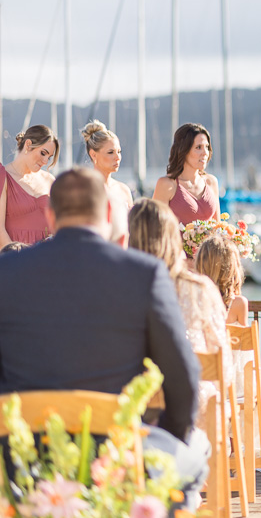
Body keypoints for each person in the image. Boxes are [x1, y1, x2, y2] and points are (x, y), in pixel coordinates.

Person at [0, 168, 207, 510]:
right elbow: (184, 380)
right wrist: (162, 434)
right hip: (117, 461)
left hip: (22, 466)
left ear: (50, 216)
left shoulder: (6, 273)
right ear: (110, 213)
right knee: (196, 447)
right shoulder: (144, 274)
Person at [128, 198, 232, 435]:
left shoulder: (120, 289)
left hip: (135, 408)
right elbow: (223, 362)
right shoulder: (200, 289)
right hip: (193, 408)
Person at [195, 234, 261, 448]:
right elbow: (243, 355)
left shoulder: (195, 301)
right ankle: (236, 446)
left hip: (203, 382)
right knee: (260, 395)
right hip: (234, 385)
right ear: (231, 268)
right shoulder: (239, 305)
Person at [0, 124, 58, 245]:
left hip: (46, 258)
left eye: (49, 157)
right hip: (13, 259)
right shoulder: (4, 176)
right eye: (43, 153)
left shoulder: (50, 180)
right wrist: (17, 258)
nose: (45, 161)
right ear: (28, 145)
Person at [154, 123, 220, 226]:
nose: (205, 153)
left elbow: (218, 227)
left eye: (207, 147)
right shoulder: (166, 185)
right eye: (198, 147)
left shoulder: (211, 182)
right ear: (183, 150)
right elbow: (155, 229)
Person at [82, 119, 134, 247]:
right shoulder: (84, 189)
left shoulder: (124, 190)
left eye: (119, 151)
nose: (118, 157)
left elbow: (132, 230)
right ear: (93, 154)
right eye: (111, 152)